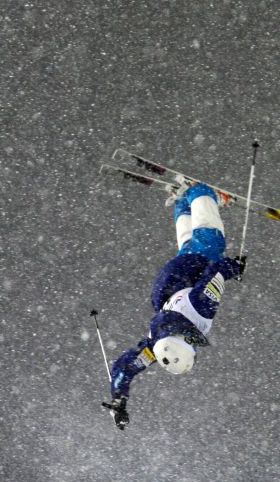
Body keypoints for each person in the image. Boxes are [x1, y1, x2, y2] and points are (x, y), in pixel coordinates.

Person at [102, 183, 246, 429]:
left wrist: (234, 268)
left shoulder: (200, 311)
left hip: (185, 274)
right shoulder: (156, 344)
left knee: (212, 241)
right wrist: (119, 399)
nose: (195, 340)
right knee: (190, 246)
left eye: (192, 342)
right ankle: (182, 202)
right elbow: (126, 367)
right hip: (167, 287)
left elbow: (215, 273)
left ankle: (199, 193)